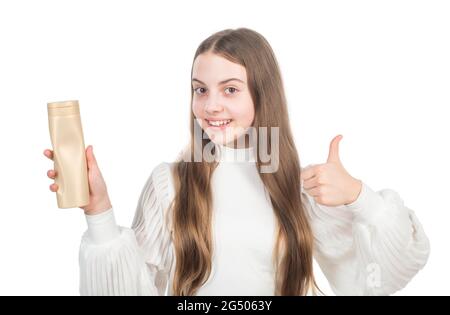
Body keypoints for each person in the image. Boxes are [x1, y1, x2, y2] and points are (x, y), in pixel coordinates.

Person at [44, 28, 430, 296]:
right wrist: (99, 212)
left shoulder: (299, 187)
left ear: (263, 95)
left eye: (230, 89)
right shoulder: (170, 184)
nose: (211, 105)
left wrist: (359, 197)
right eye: (200, 90)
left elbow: (384, 275)